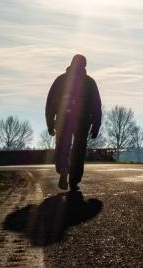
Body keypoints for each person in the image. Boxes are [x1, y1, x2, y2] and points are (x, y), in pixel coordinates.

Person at [45, 54, 102, 191]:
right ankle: (74, 179)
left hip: (63, 118)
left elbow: (51, 103)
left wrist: (50, 123)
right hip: (83, 120)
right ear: (84, 66)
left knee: (62, 146)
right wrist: (96, 126)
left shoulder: (60, 80)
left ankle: (63, 168)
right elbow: (96, 106)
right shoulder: (89, 82)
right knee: (79, 149)